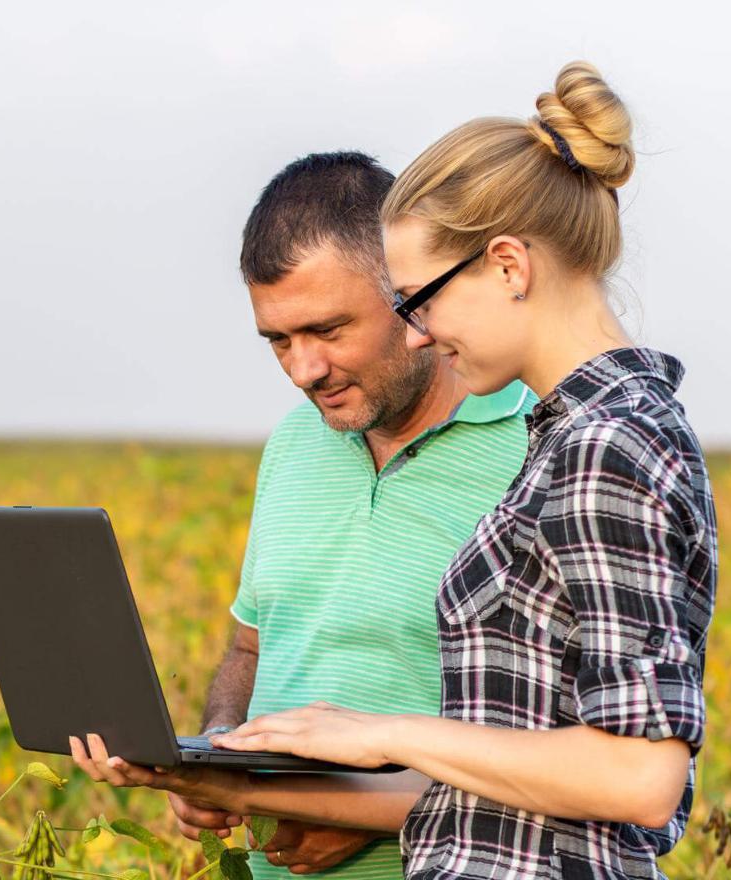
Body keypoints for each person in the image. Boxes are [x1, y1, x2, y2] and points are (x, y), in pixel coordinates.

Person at [72, 62, 718, 880]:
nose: (418, 333)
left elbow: (640, 778)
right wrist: (223, 774)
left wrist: (378, 736)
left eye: (418, 300)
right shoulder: (587, 432)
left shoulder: (599, 445)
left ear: (510, 267)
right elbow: (519, 754)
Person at [94, 152, 533, 878]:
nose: (304, 370)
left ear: (410, 294)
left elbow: (579, 751)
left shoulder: (542, 450)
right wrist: (216, 755)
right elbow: (250, 653)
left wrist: (358, 810)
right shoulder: (295, 443)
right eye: (278, 340)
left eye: (328, 330)